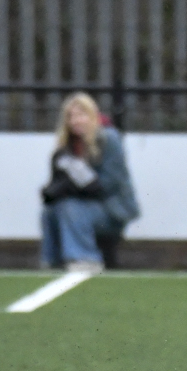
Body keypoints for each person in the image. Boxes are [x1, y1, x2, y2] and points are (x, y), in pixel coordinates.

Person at [40, 92, 140, 272]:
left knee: (71, 207)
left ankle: (85, 258)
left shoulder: (109, 139)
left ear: (92, 115)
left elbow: (110, 183)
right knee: (50, 212)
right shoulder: (67, 147)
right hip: (84, 203)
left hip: (111, 209)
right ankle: (52, 260)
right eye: (71, 116)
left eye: (81, 115)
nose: (76, 121)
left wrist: (75, 189)